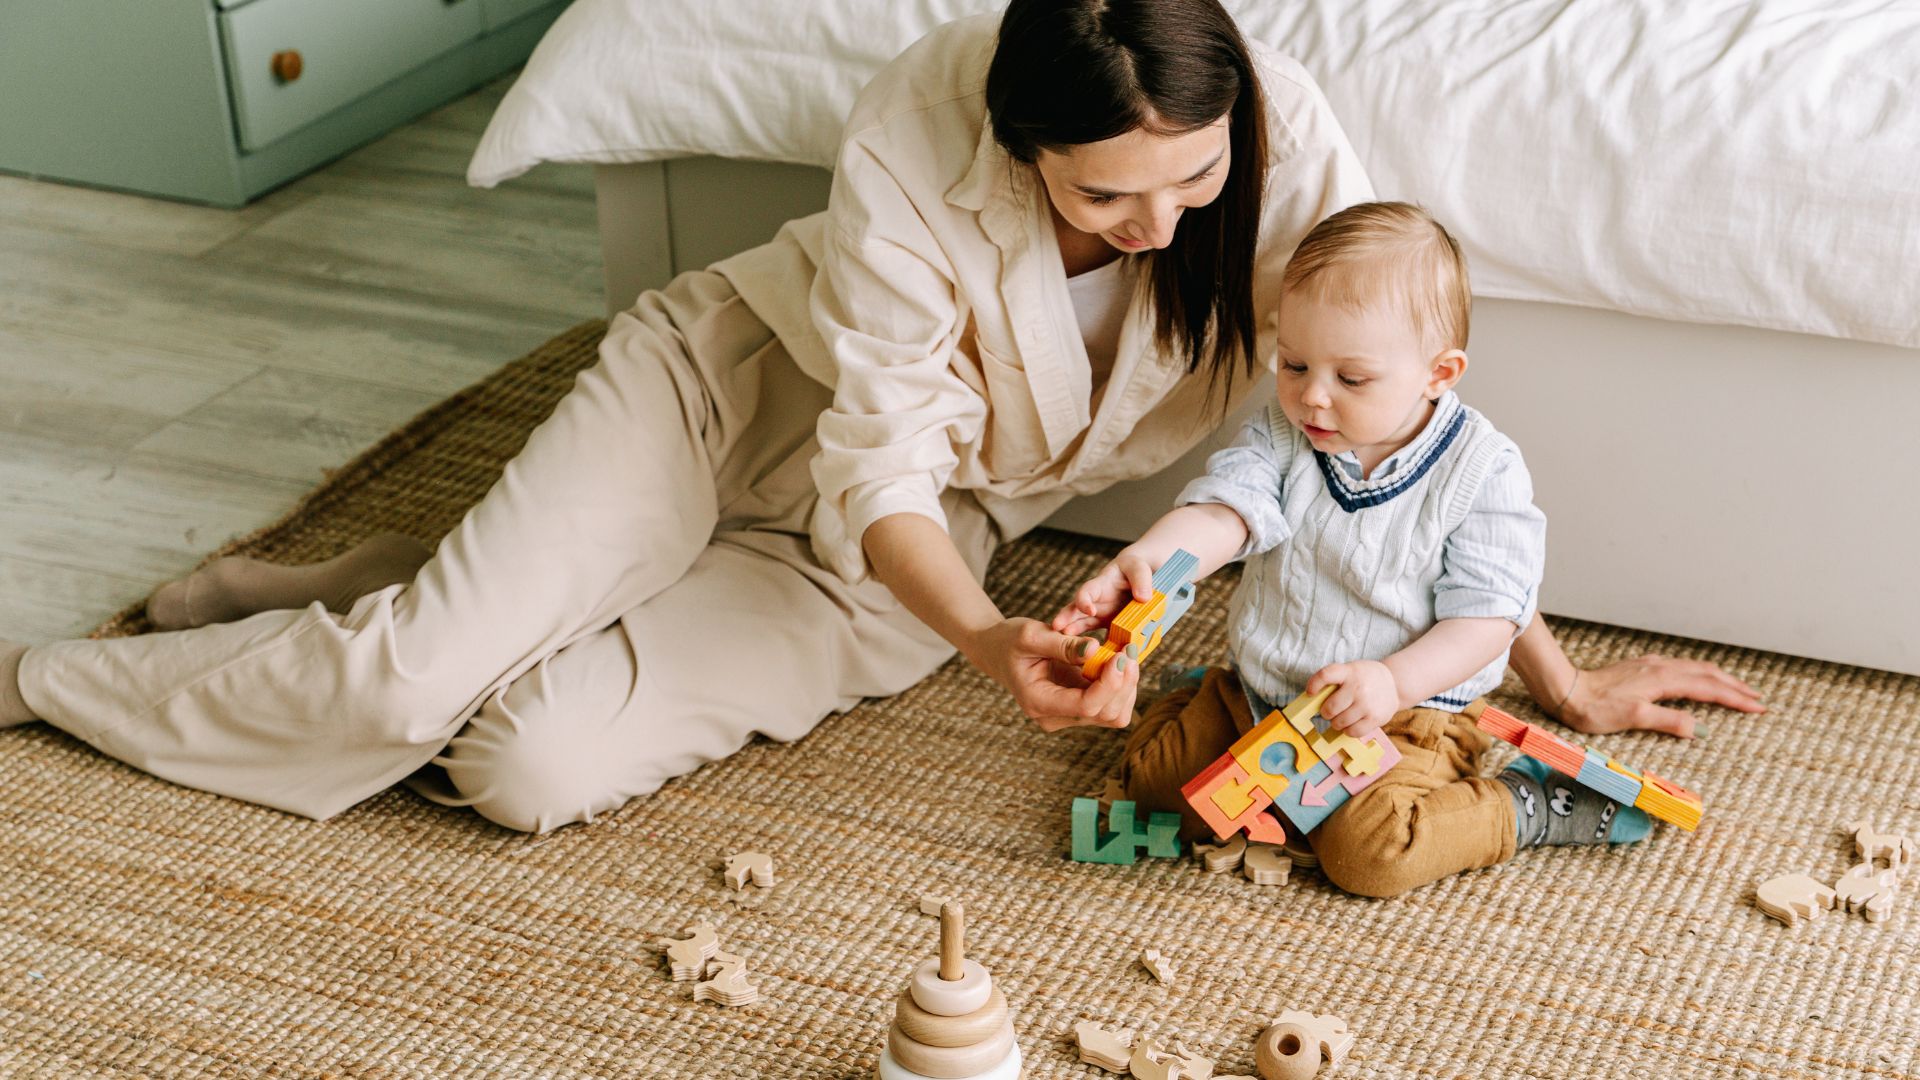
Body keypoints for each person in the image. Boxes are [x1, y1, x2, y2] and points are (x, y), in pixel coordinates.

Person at [0, 1, 1760, 835]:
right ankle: (48, 681)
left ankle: (391, 585)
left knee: (518, 770)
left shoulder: (1280, 145)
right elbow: (879, 453)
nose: (1163, 228)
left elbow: (1404, 456)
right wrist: (992, 645)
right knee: (400, 691)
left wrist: (1556, 679)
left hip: (934, 536)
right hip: (738, 402)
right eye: (1108, 196)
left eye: (1194, 182)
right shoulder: (917, 125)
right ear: (1020, 145)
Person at [1058, 202, 1682, 898]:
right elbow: (1225, 511)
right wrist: (1148, 558)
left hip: (1410, 715)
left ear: (1439, 373)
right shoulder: (1282, 435)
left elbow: (1489, 618)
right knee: (1153, 789)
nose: (1312, 398)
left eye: (1351, 379)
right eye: (1293, 364)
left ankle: (1524, 806)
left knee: (1370, 854)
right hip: (1262, 693)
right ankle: (1195, 694)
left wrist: (1396, 682)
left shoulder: (1482, 469)